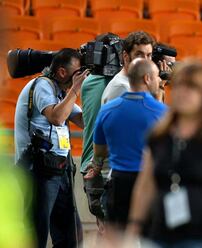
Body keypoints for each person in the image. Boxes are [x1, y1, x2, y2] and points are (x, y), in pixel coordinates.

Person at [126, 59, 202, 248]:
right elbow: (145, 186)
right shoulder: (159, 136)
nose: (183, 92)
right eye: (179, 85)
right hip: (161, 236)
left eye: (191, 87)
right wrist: (132, 231)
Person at [14, 48, 89, 248]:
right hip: (38, 169)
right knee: (36, 231)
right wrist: (75, 89)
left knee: (70, 233)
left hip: (58, 168)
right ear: (62, 72)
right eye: (77, 72)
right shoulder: (42, 85)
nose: (80, 76)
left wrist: (96, 91)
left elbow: (83, 120)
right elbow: (57, 117)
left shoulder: (60, 92)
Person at [85, 58, 167, 232]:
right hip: (148, 183)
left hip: (118, 182)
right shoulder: (162, 112)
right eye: (158, 76)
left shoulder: (107, 110)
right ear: (147, 79)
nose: (160, 80)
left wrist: (97, 166)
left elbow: (99, 150)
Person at [80, 32, 121, 234]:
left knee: (104, 230)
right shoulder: (118, 84)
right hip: (103, 165)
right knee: (112, 233)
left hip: (91, 164)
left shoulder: (86, 82)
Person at [101, 31, 155, 104]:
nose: (145, 61)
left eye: (148, 55)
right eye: (139, 55)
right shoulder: (121, 87)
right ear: (126, 56)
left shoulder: (135, 84)